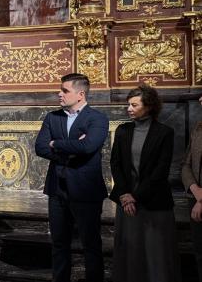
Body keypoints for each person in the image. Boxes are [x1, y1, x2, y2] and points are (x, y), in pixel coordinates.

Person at [35, 73, 108, 282]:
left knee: (90, 244)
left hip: (85, 190)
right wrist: (72, 147)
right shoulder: (52, 117)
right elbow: (40, 147)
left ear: (80, 94)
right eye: (60, 90)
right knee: (59, 243)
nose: (59, 94)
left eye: (65, 90)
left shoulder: (97, 118)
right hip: (57, 188)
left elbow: (88, 146)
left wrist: (56, 144)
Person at [110, 84, 180, 282]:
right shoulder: (123, 130)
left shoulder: (165, 132)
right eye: (128, 105)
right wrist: (124, 195)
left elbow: (160, 171)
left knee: (156, 255)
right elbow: (115, 164)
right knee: (130, 253)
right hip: (127, 202)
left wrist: (135, 196)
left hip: (153, 201)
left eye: (134, 105)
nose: (129, 109)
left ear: (148, 106)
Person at [183, 95, 202, 281]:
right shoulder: (198, 127)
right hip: (194, 198)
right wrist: (195, 190)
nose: (201, 99)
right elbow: (186, 164)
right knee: (200, 252)